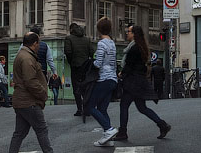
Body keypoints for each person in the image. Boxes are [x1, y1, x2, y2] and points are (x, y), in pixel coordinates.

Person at [5, 32, 68, 153]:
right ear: (34, 43)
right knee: (41, 129)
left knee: (19, 133)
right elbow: (30, 81)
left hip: (22, 100)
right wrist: (43, 93)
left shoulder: (23, 55)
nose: (39, 46)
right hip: (29, 101)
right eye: (38, 43)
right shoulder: (27, 58)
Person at [113, 25, 171, 142]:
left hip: (132, 83)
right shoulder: (140, 47)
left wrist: (121, 73)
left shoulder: (133, 49)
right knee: (142, 108)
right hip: (139, 82)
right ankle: (162, 124)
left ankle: (123, 132)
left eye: (129, 32)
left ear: (134, 34)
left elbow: (129, 65)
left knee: (124, 106)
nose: (127, 33)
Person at [88, 17, 119, 146]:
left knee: (90, 106)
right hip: (112, 78)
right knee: (102, 108)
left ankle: (109, 129)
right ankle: (108, 139)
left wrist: (92, 63)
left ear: (98, 29)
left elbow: (98, 63)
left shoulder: (101, 43)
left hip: (103, 79)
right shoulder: (112, 43)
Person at [64, 23, 93, 117]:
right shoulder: (87, 39)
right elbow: (92, 51)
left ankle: (80, 109)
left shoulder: (69, 38)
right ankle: (88, 108)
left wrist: (71, 62)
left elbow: (68, 52)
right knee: (85, 87)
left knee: (76, 88)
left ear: (71, 29)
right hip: (86, 67)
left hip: (75, 66)